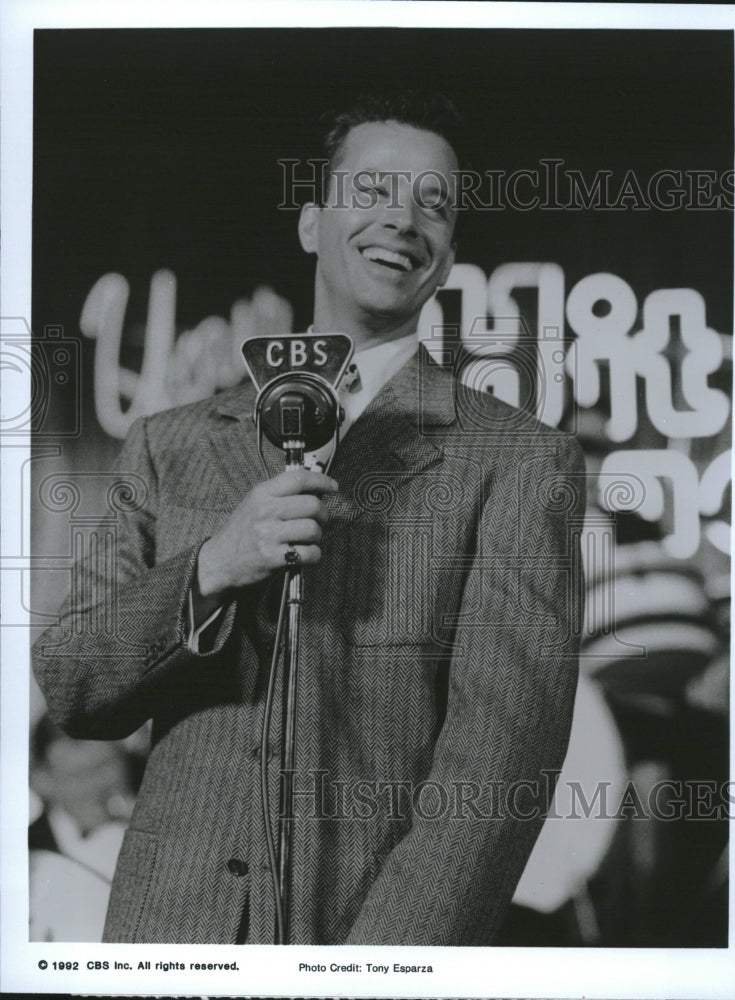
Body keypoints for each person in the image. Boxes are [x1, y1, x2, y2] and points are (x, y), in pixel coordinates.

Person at [33, 91, 585, 946]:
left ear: (444, 257)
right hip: (166, 942)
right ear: (309, 223)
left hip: (364, 934)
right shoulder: (169, 444)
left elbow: (497, 770)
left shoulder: (517, 462)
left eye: (432, 205)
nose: (402, 219)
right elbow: (72, 681)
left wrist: (378, 968)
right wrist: (211, 567)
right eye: (372, 192)